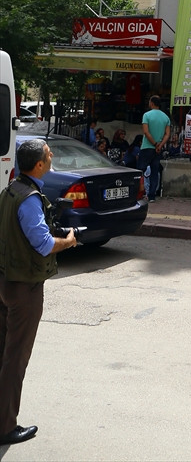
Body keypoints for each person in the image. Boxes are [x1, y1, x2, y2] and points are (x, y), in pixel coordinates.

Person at [0, 138, 78, 446]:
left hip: (6, 280)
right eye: (48, 153)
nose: (52, 154)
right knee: (15, 359)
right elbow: (44, 245)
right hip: (24, 287)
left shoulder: (10, 190)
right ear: (39, 164)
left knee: (4, 353)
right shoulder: (29, 198)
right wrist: (68, 241)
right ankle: (6, 427)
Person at [139, 95, 171, 200]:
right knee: (154, 172)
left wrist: (154, 143)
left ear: (151, 103)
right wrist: (160, 145)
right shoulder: (166, 117)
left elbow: (146, 132)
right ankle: (152, 195)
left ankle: (139, 192)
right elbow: (167, 134)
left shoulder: (146, 115)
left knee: (141, 170)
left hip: (147, 147)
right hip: (158, 149)